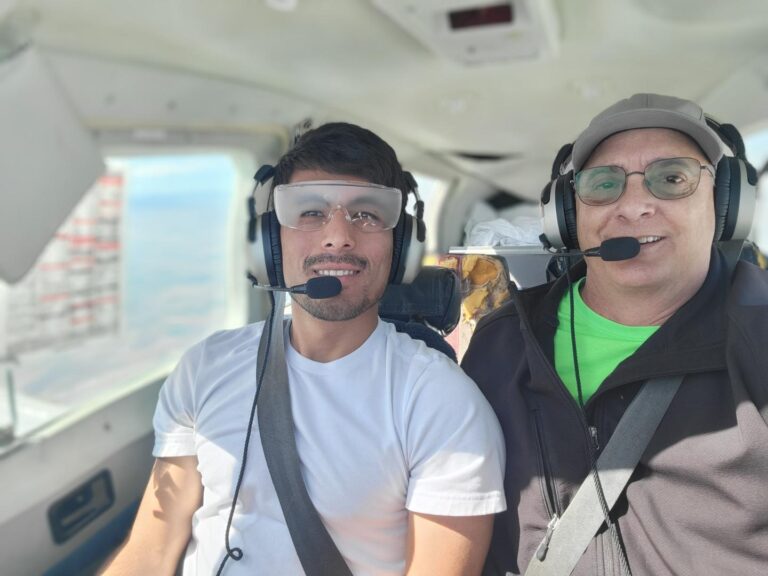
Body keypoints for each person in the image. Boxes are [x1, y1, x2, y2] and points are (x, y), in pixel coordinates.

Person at [101, 122, 506, 576]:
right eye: (309, 212)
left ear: (402, 245)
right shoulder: (205, 366)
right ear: (269, 241)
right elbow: (149, 554)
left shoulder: (442, 403)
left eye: (368, 214)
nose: (338, 237)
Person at [462, 93, 768, 575]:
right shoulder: (500, 346)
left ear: (727, 204)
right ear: (567, 216)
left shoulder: (760, 333)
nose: (634, 206)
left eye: (672, 179)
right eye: (603, 184)